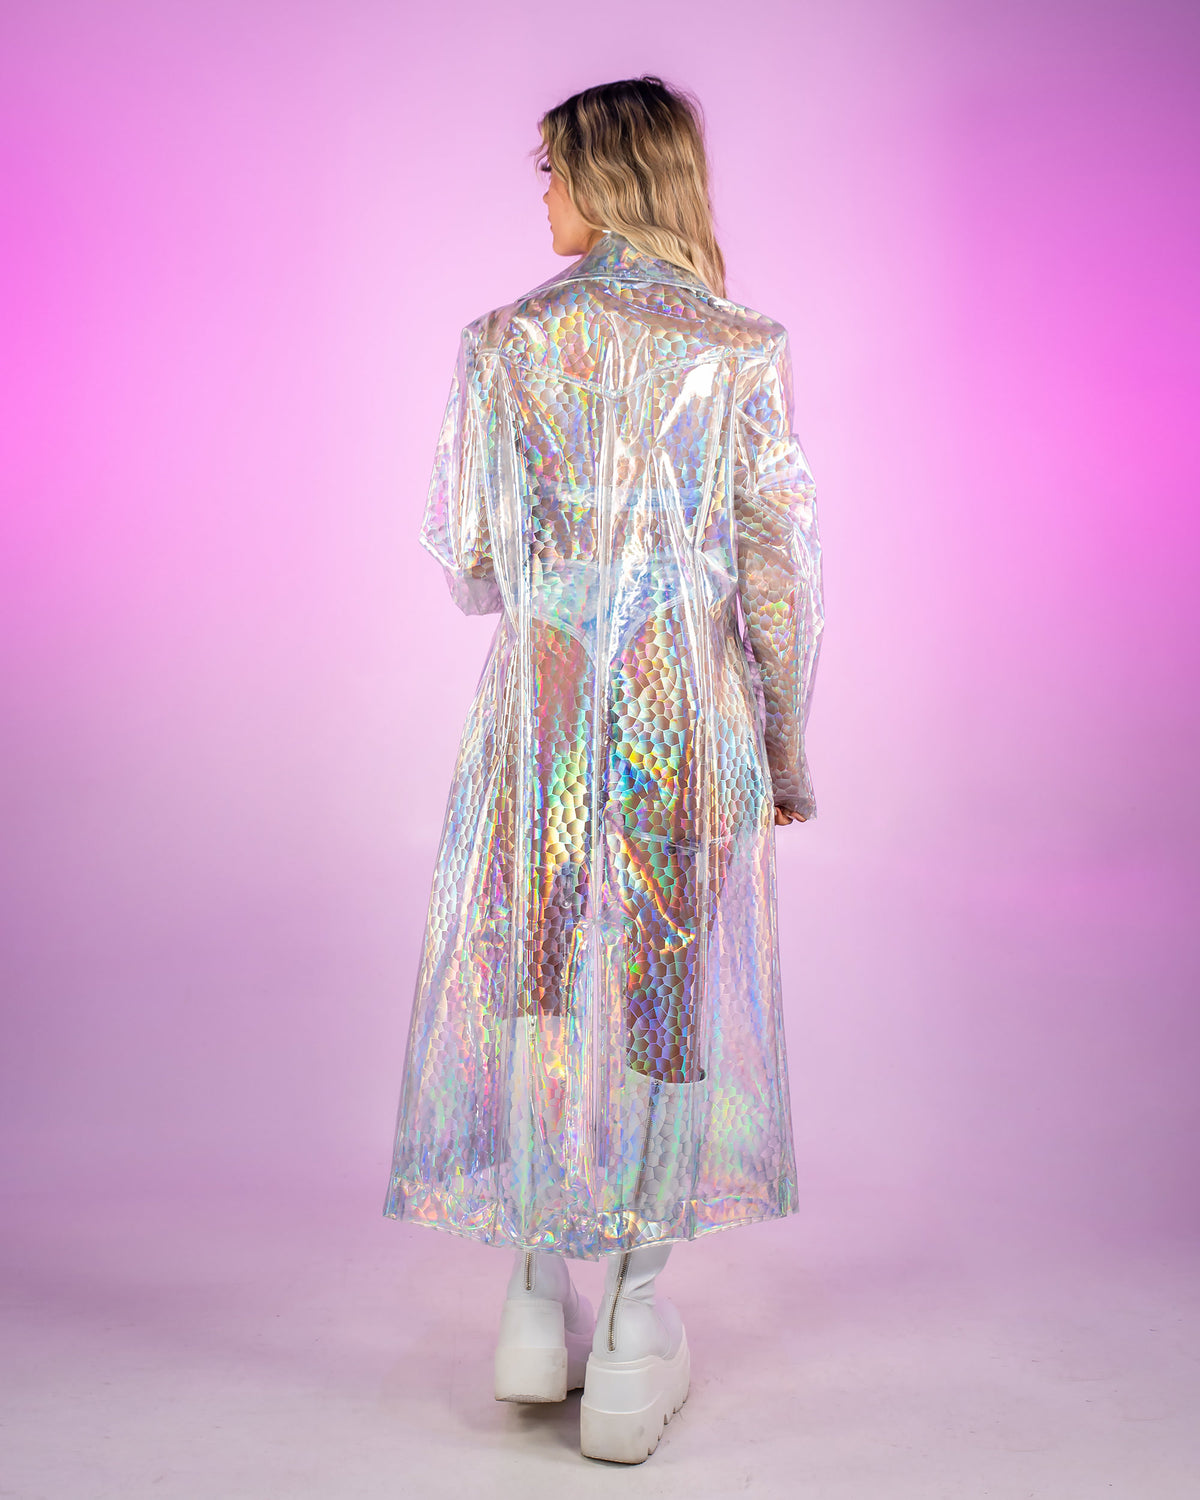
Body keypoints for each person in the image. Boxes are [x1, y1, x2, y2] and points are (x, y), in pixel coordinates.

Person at [384, 76, 824, 1464]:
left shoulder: (505, 342)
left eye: (553, 167)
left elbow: (468, 555)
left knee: (534, 960)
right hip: (680, 704)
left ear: (607, 172)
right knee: (666, 984)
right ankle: (633, 1313)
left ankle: (533, 1292)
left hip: (551, 688)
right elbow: (779, 570)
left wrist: (563, 564)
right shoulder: (743, 345)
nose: (545, 193)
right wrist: (784, 742)